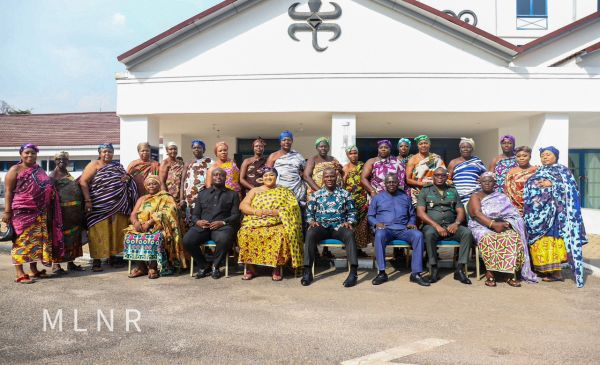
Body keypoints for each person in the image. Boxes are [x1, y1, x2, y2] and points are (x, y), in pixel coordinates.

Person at [524, 146, 588, 287]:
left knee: (552, 240)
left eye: (548, 154)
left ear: (556, 157)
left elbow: (571, 189)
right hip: (538, 213)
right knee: (540, 241)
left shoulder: (563, 171)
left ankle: (556, 273)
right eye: (542, 155)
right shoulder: (539, 170)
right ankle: (545, 270)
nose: (545, 157)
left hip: (555, 215)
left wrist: (552, 184)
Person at [2, 144, 64, 283]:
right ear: (21, 154)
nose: (30, 156)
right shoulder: (15, 170)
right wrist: (7, 212)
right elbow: (8, 192)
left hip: (40, 212)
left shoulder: (38, 169)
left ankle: (33, 270)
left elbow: (46, 185)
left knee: (36, 243)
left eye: (33, 153)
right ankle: (19, 273)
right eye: (27, 153)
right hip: (21, 211)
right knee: (22, 242)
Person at [468, 172, 538, 287]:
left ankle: (509, 274)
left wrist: (507, 223)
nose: (487, 183)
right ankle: (490, 273)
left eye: (490, 181)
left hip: (500, 225)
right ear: (480, 183)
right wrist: (493, 224)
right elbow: (476, 214)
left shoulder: (501, 196)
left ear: (495, 183)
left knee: (513, 238)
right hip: (481, 225)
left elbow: (512, 214)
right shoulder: (475, 196)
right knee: (489, 238)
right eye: (484, 181)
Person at [80, 143, 138, 272]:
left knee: (115, 231)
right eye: (104, 151)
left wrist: (127, 178)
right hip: (98, 205)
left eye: (110, 152)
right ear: (100, 153)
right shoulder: (94, 165)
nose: (107, 154)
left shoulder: (117, 166)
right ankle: (96, 260)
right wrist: (88, 200)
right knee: (98, 232)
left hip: (118, 205)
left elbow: (127, 178)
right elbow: (83, 181)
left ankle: (112, 257)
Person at [237, 168, 303, 280]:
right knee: (245, 232)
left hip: (277, 222)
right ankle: (250, 268)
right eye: (265, 176)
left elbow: (293, 207)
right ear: (261, 178)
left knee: (280, 234)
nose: (268, 177)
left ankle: (277, 267)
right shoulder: (255, 190)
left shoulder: (285, 191)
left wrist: (277, 212)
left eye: (271, 175)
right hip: (256, 220)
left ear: (276, 177)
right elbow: (243, 206)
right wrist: (256, 211)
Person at [300, 168, 359, 288]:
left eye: (332, 176)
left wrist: (350, 222)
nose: (329, 179)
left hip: (339, 226)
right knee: (310, 233)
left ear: (336, 177)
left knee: (350, 234)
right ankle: (307, 271)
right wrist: (311, 221)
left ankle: (353, 272)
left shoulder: (345, 194)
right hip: (321, 226)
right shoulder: (316, 195)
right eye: (326, 177)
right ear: (323, 179)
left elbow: (352, 211)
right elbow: (309, 213)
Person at [368, 173, 429, 286]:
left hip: (403, 229)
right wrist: (376, 224)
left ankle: (415, 273)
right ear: (385, 184)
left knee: (418, 235)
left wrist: (411, 223)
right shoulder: (377, 198)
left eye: (394, 182)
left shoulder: (405, 197)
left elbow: (412, 215)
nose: (391, 184)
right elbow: (370, 216)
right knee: (379, 235)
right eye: (389, 182)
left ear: (398, 183)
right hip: (385, 229)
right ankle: (382, 272)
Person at [416, 167, 472, 284]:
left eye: (442, 175)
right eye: (437, 175)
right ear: (433, 177)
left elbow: (461, 210)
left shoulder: (453, 190)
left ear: (447, 177)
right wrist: (436, 226)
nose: (440, 177)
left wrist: (456, 223)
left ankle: (460, 270)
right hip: (433, 227)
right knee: (429, 233)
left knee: (466, 233)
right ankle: (434, 268)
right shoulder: (425, 190)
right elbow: (420, 212)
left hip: (451, 226)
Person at [182, 168, 241, 279]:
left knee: (224, 239)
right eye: (215, 175)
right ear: (211, 177)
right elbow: (195, 215)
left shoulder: (232, 194)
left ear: (225, 178)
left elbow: (236, 215)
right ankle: (204, 266)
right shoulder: (202, 194)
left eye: (221, 175)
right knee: (187, 240)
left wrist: (222, 222)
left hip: (222, 227)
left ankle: (215, 266)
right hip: (203, 227)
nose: (218, 177)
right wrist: (198, 221)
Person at [123, 175, 183, 279]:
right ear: (145, 186)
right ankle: (141, 267)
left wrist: (150, 222)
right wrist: (135, 223)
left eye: (154, 183)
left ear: (159, 185)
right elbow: (133, 214)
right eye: (149, 184)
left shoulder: (166, 197)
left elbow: (168, 212)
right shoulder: (142, 198)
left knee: (155, 238)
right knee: (129, 236)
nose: (151, 186)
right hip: (141, 226)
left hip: (159, 227)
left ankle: (153, 267)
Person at [49, 151, 84, 274]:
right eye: (59, 159)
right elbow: (50, 196)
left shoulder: (68, 174)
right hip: (61, 214)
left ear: (68, 161)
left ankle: (71, 262)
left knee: (73, 237)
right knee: (60, 237)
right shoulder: (52, 176)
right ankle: (56, 265)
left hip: (73, 213)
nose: (61, 161)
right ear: (55, 161)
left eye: (64, 159)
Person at [342, 145, 371, 253]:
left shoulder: (363, 166)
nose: (353, 155)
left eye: (355, 153)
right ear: (347, 155)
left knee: (360, 225)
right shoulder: (345, 168)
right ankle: (351, 249)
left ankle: (358, 249)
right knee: (351, 224)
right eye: (351, 153)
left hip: (362, 199)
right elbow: (343, 185)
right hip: (350, 201)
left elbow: (367, 181)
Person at [266, 130, 307, 205]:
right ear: (280, 142)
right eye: (284, 140)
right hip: (279, 189)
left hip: (296, 189)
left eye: (289, 140)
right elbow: (267, 174)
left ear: (292, 141)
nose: (286, 142)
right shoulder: (273, 156)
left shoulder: (298, 156)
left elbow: (305, 171)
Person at [180, 140, 213, 225]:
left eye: (199, 147)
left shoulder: (209, 162)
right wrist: (181, 198)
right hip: (189, 197)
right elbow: (183, 181)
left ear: (204, 149)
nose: (196, 149)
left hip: (203, 195)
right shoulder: (188, 163)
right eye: (194, 148)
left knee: (202, 216)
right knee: (190, 218)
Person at [406, 135, 446, 205]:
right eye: (421, 144)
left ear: (429, 144)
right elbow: (408, 180)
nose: (423, 145)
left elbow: (445, 175)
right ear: (418, 146)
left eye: (425, 143)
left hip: (434, 191)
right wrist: (423, 184)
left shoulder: (436, 158)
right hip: (417, 193)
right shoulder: (413, 159)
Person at [447, 138, 487, 205]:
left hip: (474, 195)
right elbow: (448, 179)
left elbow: (485, 176)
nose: (465, 149)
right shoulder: (453, 162)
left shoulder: (477, 161)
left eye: (468, 147)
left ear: (472, 149)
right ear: (460, 149)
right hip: (458, 196)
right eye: (463, 147)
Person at [504, 146, 537, 215]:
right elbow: (507, 191)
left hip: (533, 205)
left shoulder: (536, 170)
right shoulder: (511, 172)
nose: (521, 158)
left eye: (525, 156)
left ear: (530, 157)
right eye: (518, 156)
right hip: (515, 208)